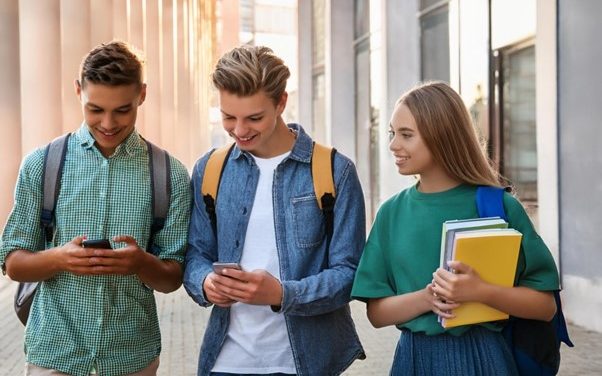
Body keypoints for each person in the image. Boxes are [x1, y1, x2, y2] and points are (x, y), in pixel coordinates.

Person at [0, 41, 191, 376]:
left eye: (122, 110)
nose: (107, 123)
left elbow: (172, 278)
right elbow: (13, 264)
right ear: (78, 91)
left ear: (142, 95)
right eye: (95, 109)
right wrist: (58, 258)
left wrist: (140, 262)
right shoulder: (41, 165)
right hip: (54, 354)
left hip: (131, 356)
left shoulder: (169, 174)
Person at [351, 81, 559, 375]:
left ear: (442, 136)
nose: (393, 145)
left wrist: (481, 291)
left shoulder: (500, 207)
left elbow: (545, 306)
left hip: (486, 358)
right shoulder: (391, 213)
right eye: (392, 133)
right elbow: (376, 313)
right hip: (413, 360)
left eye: (406, 135)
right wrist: (427, 298)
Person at [183, 45, 366, 376]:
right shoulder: (210, 170)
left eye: (254, 118)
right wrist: (206, 282)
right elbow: (195, 254)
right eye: (228, 117)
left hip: (305, 363)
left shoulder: (334, 171)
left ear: (281, 102)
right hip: (225, 362)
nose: (240, 130)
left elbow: (350, 274)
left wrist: (283, 294)